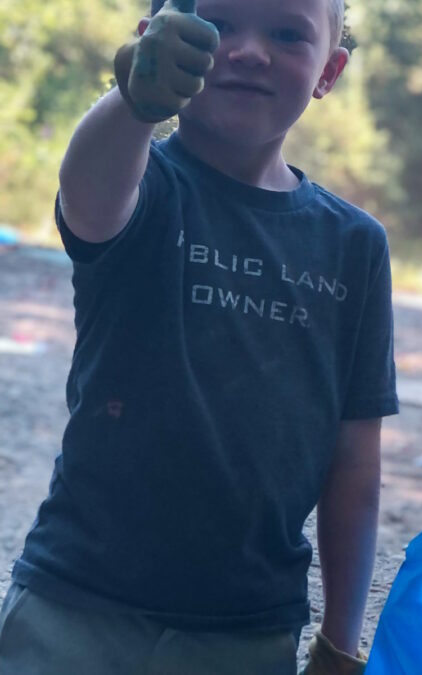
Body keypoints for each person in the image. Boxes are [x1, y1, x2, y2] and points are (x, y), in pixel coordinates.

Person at [0, 1, 396, 674]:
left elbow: (355, 457)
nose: (246, 50)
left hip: (245, 630)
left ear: (329, 71)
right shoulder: (143, 182)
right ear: (151, 42)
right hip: (74, 601)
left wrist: (340, 637)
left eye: (285, 32)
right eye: (216, 25)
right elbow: (88, 193)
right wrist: (135, 102)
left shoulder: (354, 245)